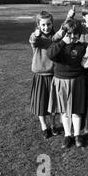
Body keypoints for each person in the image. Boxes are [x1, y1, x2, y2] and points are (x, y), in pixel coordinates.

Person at [47, 19, 87, 148]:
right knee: (64, 111)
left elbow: (85, 62)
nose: (72, 36)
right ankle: (67, 135)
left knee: (76, 110)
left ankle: (77, 135)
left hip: (77, 81)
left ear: (79, 34)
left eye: (75, 33)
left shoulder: (82, 46)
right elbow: (50, 54)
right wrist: (63, 42)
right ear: (64, 33)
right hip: (61, 81)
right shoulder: (58, 44)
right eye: (69, 33)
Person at [28, 11, 59, 139]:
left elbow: (63, 31)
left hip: (53, 75)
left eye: (49, 24)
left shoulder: (55, 37)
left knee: (53, 103)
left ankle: (52, 125)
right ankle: (44, 126)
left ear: (52, 24)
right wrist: (36, 34)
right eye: (43, 25)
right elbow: (33, 41)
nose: (46, 27)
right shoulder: (36, 37)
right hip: (40, 76)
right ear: (38, 25)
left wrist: (69, 17)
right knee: (41, 103)